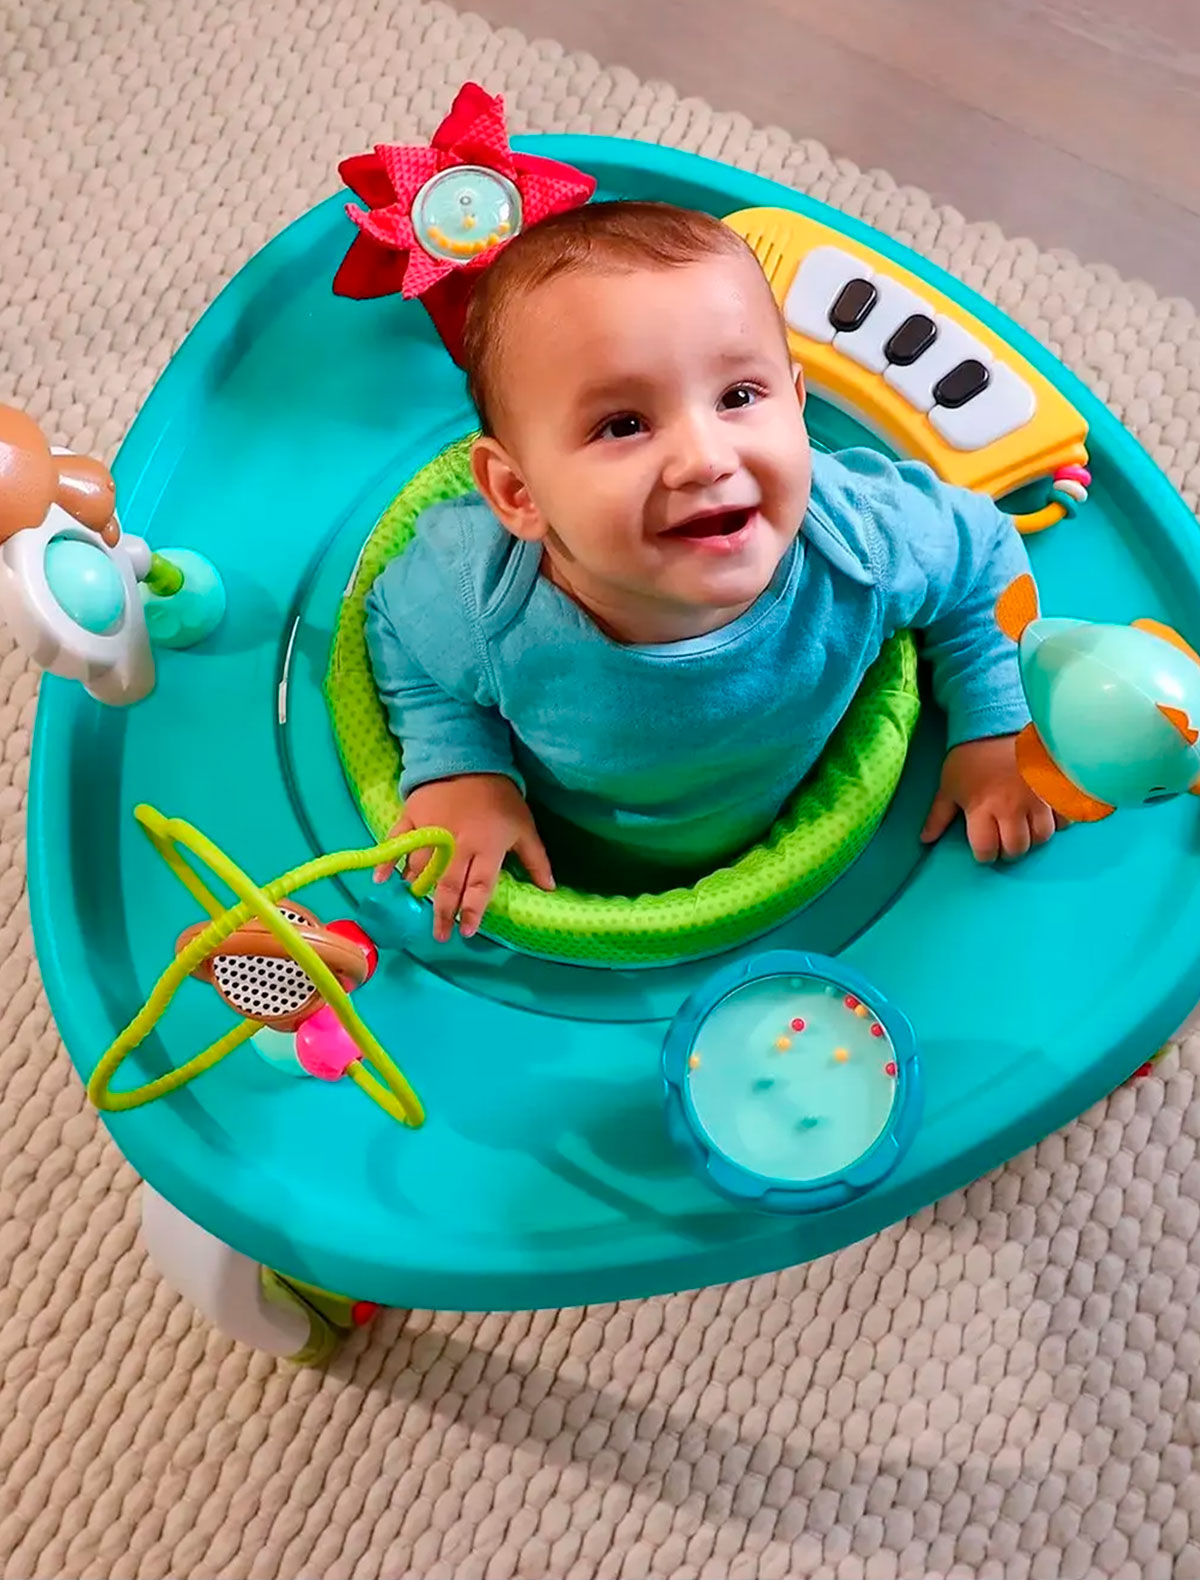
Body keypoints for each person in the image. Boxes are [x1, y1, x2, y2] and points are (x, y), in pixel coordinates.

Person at [365, 201, 1057, 942]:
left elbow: (983, 552)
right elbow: (397, 631)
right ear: (518, 493)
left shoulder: (861, 540)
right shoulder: (479, 596)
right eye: (624, 425)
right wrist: (462, 769)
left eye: (739, 397)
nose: (706, 459)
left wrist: (995, 722)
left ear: (797, 405)